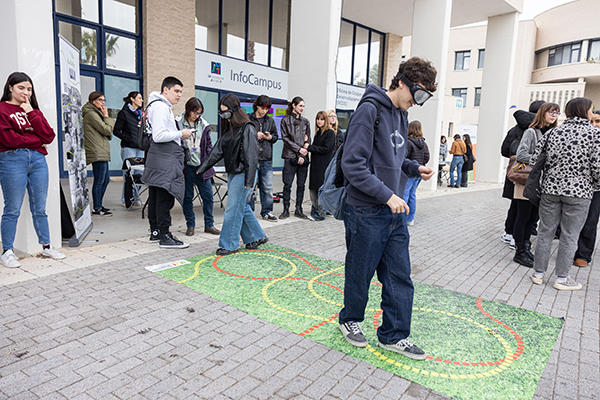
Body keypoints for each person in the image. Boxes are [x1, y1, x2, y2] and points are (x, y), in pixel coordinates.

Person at [338, 57, 437, 360]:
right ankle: (350, 320)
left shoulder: (401, 116)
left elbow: (392, 158)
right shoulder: (369, 111)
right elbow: (352, 165)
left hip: (393, 211)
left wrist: (412, 167)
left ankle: (394, 335)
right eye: (417, 95)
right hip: (366, 210)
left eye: (425, 99)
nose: (417, 103)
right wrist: (386, 195)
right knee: (360, 271)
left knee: (399, 275)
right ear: (402, 82)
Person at [530, 97, 600, 291]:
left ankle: (538, 273)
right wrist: (594, 185)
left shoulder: (553, 132)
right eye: (591, 110)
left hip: (550, 190)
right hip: (579, 192)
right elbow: (598, 166)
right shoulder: (594, 134)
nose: (592, 113)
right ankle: (561, 278)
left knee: (545, 231)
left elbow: (535, 159)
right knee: (570, 235)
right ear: (585, 111)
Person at [0, 71, 66, 268]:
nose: (25, 92)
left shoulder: (33, 110)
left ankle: (46, 246)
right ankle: (7, 251)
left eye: (29, 89)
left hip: (38, 161)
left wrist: (30, 112)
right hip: (12, 160)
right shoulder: (2, 109)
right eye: (21, 88)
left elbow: (49, 136)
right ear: (10, 88)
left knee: (40, 208)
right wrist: (36, 141)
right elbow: (8, 140)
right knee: (12, 208)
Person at [197, 93, 267, 256]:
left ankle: (229, 244)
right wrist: (202, 168)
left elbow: (251, 156)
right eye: (221, 112)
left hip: (244, 174)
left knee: (232, 209)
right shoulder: (230, 130)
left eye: (226, 112)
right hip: (235, 173)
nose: (223, 115)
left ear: (235, 110)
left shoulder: (247, 128)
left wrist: (249, 181)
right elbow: (216, 151)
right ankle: (256, 236)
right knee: (240, 206)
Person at [142, 76, 192, 249]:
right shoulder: (161, 107)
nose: (179, 95)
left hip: (158, 157)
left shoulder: (155, 105)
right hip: (164, 157)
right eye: (176, 91)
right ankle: (164, 235)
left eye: (180, 92)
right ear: (165, 90)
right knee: (164, 196)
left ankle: (156, 232)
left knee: (156, 195)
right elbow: (159, 135)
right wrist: (181, 133)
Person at [512, 102, 559, 268]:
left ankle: (526, 247)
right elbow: (521, 154)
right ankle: (519, 251)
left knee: (532, 219)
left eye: (557, 112)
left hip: (540, 183)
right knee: (523, 217)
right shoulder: (531, 132)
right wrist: (542, 161)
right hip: (526, 181)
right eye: (551, 112)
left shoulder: (554, 133)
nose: (554, 115)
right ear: (542, 113)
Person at [500, 101, 545, 248]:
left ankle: (509, 233)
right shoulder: (538, 130)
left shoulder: (514, 129)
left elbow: (504, 150)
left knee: (516, 206)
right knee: (526, 212)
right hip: (531, 174)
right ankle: (519, 242)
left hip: (516, 172)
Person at [178, 97, 220, 237]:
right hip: (186, 167)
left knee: (208, 196)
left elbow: (208, 145)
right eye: (195, 113)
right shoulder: (178, 123)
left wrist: (207, 160)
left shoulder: (203, 125)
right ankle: (190, 225)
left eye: (199, 113)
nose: (197, 116)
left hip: (202, 166)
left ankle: (209, 225)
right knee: (187, 197)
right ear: (188, 110)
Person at [573, 109, 600, 267]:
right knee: (574, 220)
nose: (594, 125)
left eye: (598, 122)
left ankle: (583, 253)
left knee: (590, 220)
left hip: (597, 188)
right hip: (579, 186)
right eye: (591, 121)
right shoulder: (583, 138)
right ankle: (570, 249)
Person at [82, 91, 115, 216]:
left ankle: (99, 205)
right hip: (97, 150)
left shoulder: (96, 113)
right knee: (100, 180)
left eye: (104, 100)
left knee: (105, 180)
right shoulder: (91, 114)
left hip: (101, 149)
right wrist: (106, 116)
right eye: (100, 100)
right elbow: (107, 129)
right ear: (93, 101)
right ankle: (97, 208)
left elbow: (106, 131)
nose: (103, 103)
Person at [248, 95, 279, 222]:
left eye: (267, 109)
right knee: (250, 187)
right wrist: (256, 135)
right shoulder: (248, 118)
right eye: (262, 108)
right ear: (257, 105)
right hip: (252, 157)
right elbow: (244, 135)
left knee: (267, 187)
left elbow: (276, 137)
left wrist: (269, 137)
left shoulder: (270, 121)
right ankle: (248, 211)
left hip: (266, 157)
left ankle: (267, 211)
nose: (264, 111)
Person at [280, 96, 312, 219]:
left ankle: (298, 209)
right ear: (293, 105)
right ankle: (286, 209)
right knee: (287, 184)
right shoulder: (285, 121)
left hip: (303, 157)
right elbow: (285, 139)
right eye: (300, 106)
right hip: (289, 156)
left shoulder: (306, 122)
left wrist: (302, 152)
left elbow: (308, 138)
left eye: (303, 106)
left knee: (301, 185)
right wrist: (299, 150)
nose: (302, 108)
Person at [113, 91, 144, 206]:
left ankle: (136, 198)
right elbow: (116, 131)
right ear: (132, 99)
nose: (142, 100)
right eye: (139, 98)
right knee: (129, 174)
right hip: (128, 148)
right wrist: (129, 139)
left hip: (141, 148)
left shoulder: (141, 114)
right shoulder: (124, 113)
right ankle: (125, 199)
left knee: (140, 174)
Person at [307, 111, 336, 221]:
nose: (319, 121)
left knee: (321, 190)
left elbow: (326, 149)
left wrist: (309, 147)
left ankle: (320, 214)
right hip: (315, 165)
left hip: (323, 166)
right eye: (318, 119)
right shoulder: (318, 133)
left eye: (322, 119)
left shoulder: (330, 133)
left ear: (326, 120)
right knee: (313, 189)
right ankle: (314, 211)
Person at [403, 121, 430, 226]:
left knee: (405, 194)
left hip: (409, 172)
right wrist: (421, 165)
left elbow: (404, 157)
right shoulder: (424, 143)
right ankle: (410, 219)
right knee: (412, 195)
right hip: (419, 173)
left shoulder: (408, 142)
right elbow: (427, 157)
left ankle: (401, 219)